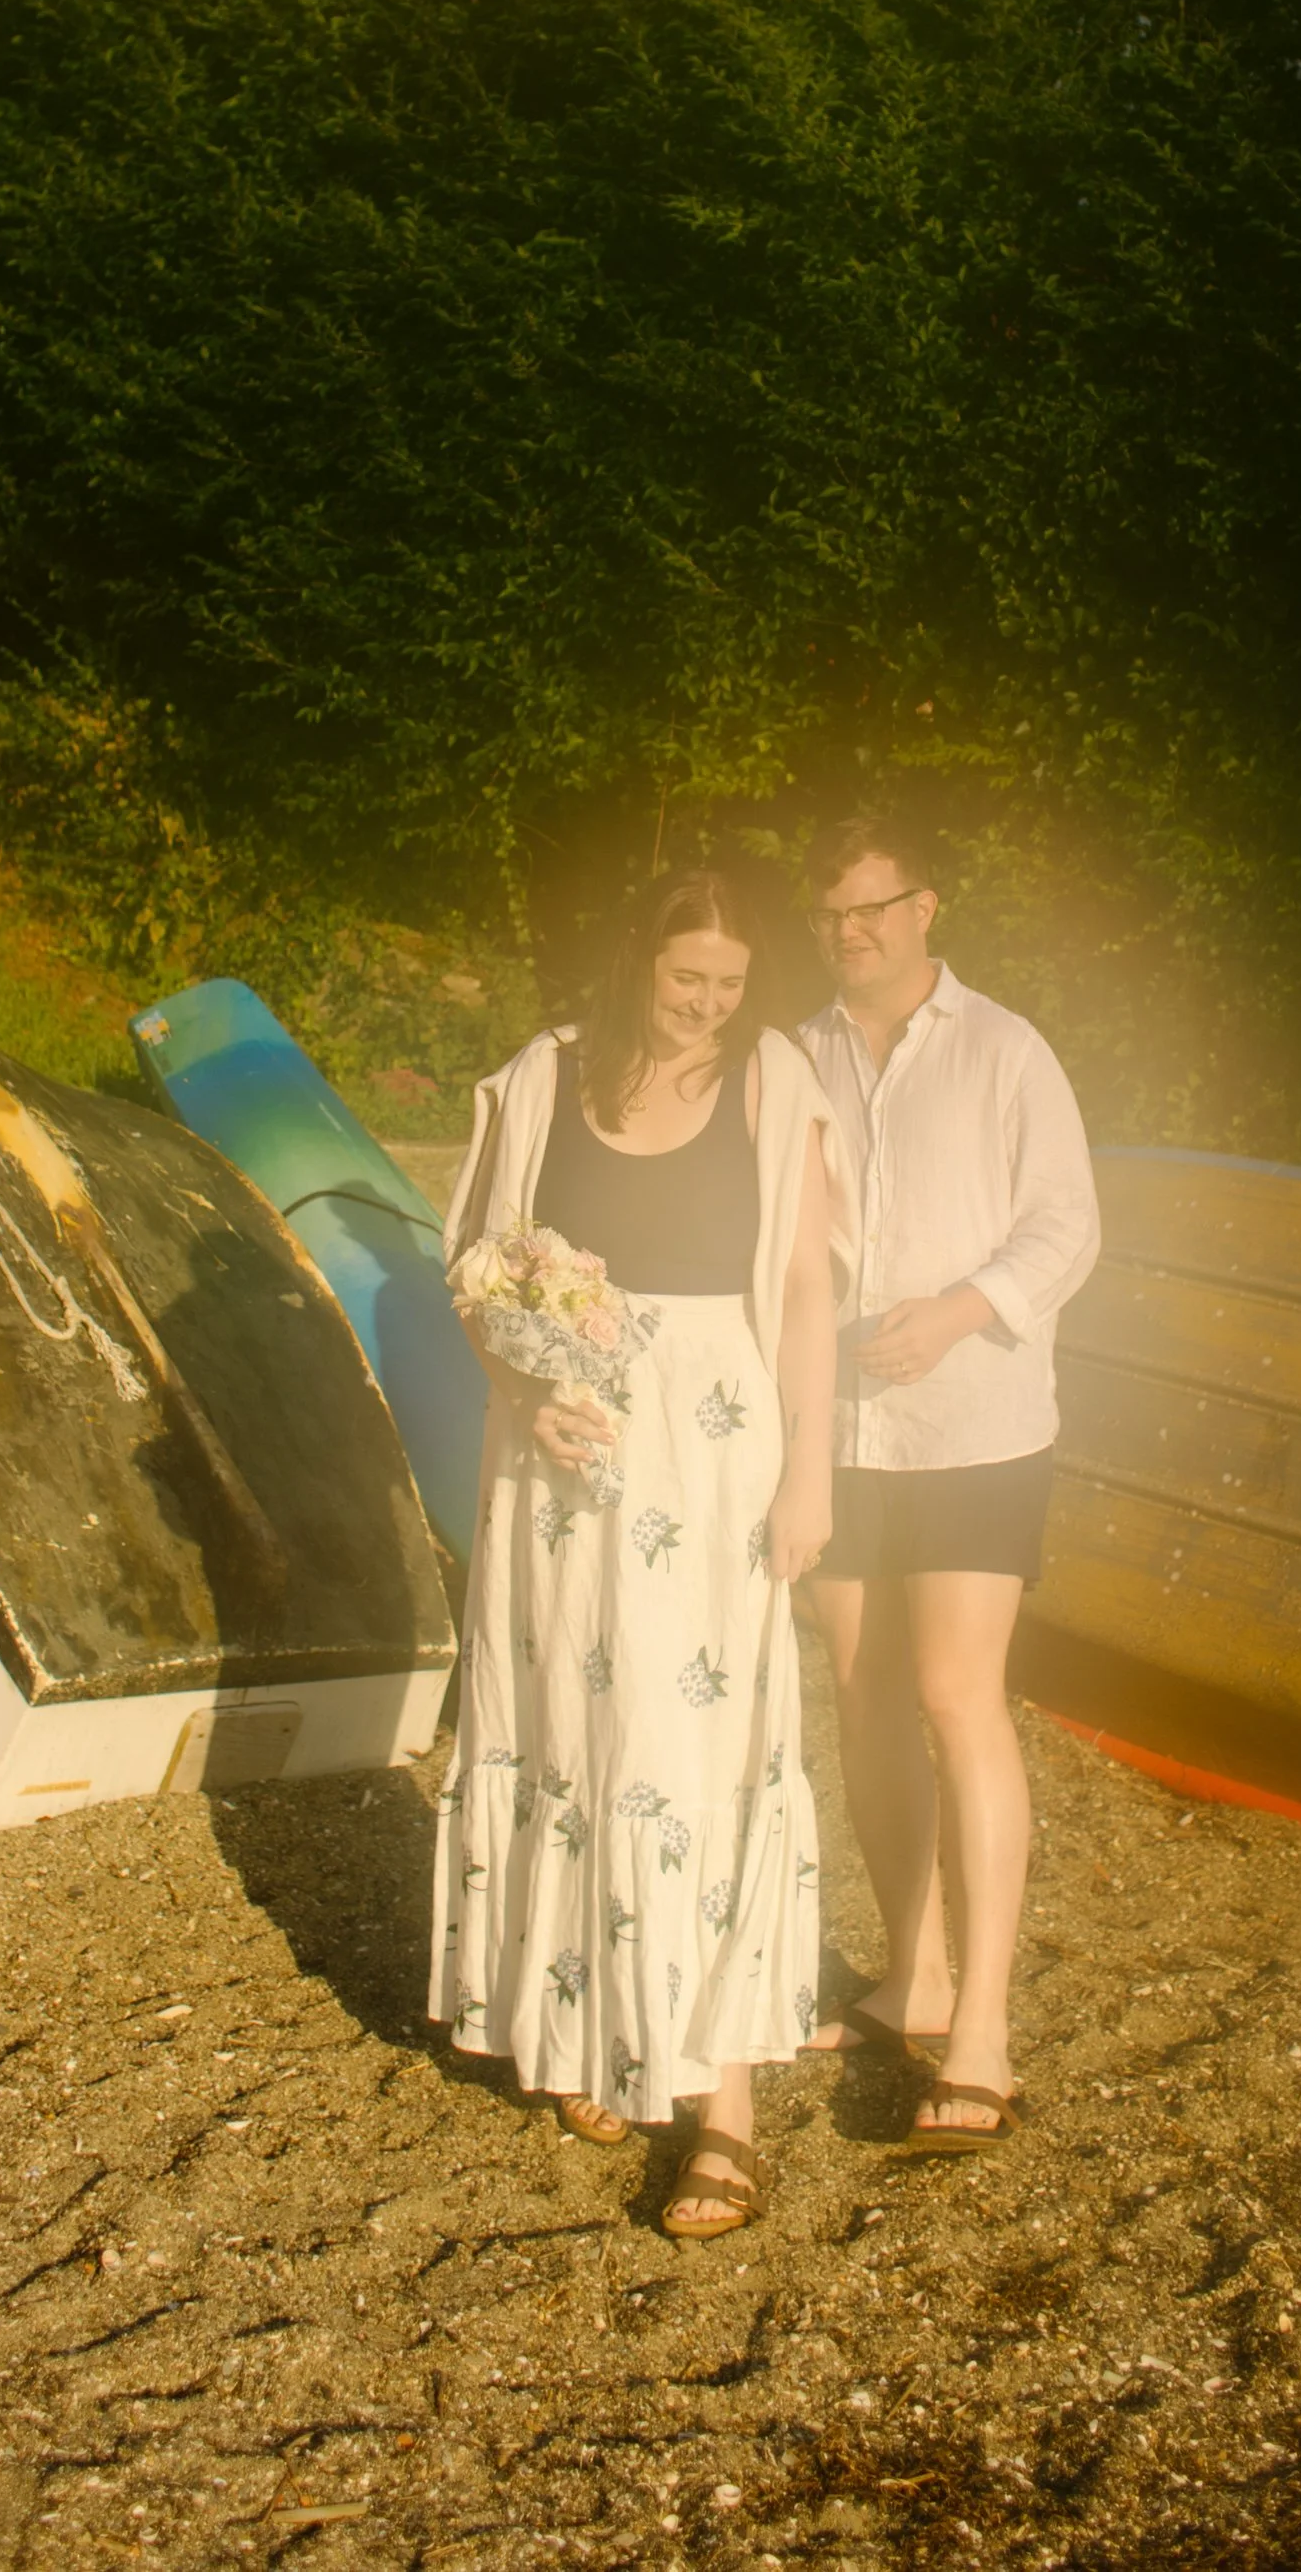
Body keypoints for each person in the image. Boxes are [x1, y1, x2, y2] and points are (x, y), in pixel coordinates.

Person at [429, 868, 843, 2239]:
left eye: (729, 983)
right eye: (687, 980)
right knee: (570, 1728)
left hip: (713, 1449)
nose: (709, 1003)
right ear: (639, 960)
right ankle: (592, 2022)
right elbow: (481, 1267)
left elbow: (802, 1291)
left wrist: (810, 1466)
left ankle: (725, 2111)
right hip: (562, 1452)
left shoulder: (775, 1082)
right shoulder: (548, 1074)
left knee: (697, 1750)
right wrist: (517, 1383)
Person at [800, 813, 1099, 2148]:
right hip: (839, 1425)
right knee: (861, 1689)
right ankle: (910, 1968)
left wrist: (962, 1306)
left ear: (929, 907)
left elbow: (1069, 1220)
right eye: (832, 913)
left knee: (951, 1690)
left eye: (873, 907)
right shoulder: (792, 1056)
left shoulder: (1006, 1047)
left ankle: (983, 2028)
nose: (851, 930)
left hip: (976, 1419)